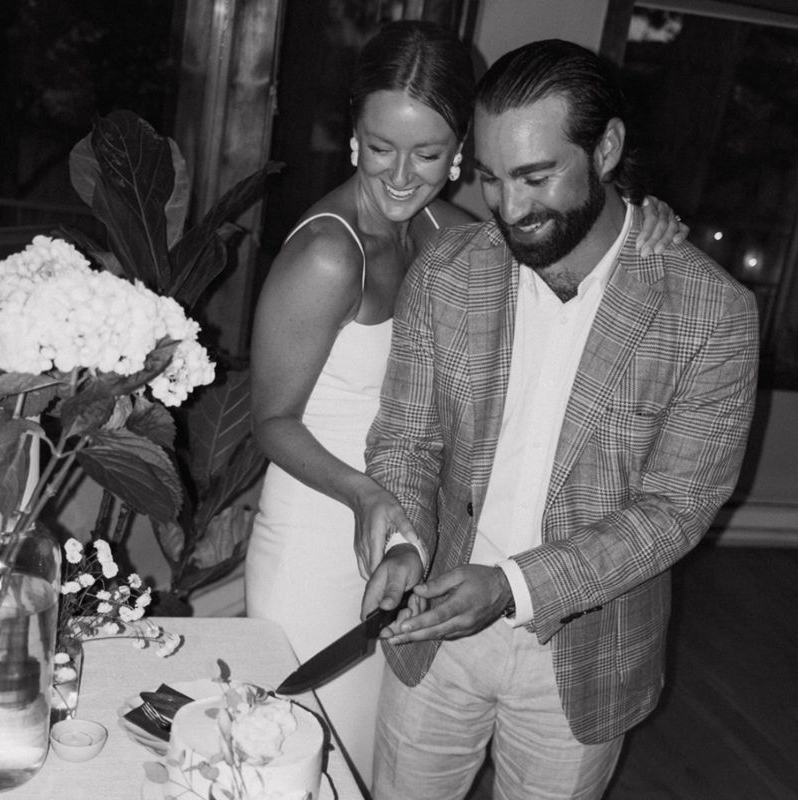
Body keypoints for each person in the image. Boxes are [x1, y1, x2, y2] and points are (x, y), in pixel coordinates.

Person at [245, 22, 685, 789]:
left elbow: (570, 263)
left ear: (460, 152)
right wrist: (364, 493)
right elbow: (270, 421)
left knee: (378, 765)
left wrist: (643, 223)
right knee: (309, 762)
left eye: (427, 153)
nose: (400, 175)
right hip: (323, 530)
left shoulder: (449, 233)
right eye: (380, 147)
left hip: (411, 533)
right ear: (353, 135)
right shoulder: (327, 255)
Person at [362, 38, 759, 800]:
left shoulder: (711, 314)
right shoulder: (446, 274)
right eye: (490, 178)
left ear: (605, 148)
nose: (510, 210)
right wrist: (407, 542)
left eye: (536, 176)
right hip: (434, 634)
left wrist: (512, 586)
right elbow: (407, 440)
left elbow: (674, 512)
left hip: (585, 655)